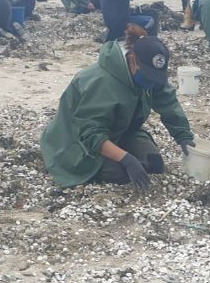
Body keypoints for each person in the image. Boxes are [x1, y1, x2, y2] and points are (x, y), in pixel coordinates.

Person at [41, 26, 195, 189]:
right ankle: (105, 159)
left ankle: (119, 152)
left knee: (154, 164)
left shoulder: (148, 75)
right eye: (148, 75)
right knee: (120, 174)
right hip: (75, 141)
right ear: (133, 59)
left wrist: (183, 135)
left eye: (155, 77)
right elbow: (90, 134)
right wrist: (126, 159)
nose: (151, 81)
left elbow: (166, 100)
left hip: (122, 129)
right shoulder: (102, 82)